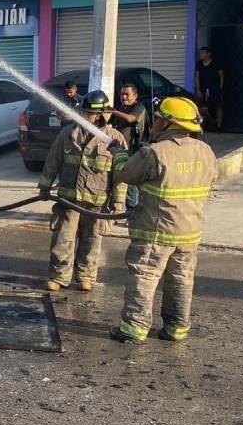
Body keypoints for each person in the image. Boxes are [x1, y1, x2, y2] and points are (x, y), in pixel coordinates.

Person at [109, 97, 217, 344]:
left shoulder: (154, 153)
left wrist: (118, 153)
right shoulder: (206, 152)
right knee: (181, 279)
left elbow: (126, 173)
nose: (155, 122)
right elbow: (211, 181)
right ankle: (176, 328)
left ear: (169, 124)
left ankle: (133, 328)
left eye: (159, 118)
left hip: (155, 232)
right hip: (190, 232)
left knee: (144, 276)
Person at [37, 90, 127, 292]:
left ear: (102, 115)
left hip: (97, 203)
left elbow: (121, 176)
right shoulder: (68, 134)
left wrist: (118, 202)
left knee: (92, 241)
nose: (87, 117)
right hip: (69, 200)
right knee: (63, 239)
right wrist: (44, 186)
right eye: (85, 113)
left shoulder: (114, 139)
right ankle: (59, 276)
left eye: (91, 114)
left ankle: (85, 276)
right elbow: (53, 161)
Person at [109, 82, 147, 211]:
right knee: (116, 177)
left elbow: (131, 119)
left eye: (127, 94)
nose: (124, 97)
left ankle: (131, 210)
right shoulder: (120, 108)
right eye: (122, 94)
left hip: (133, 149)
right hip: (119, 148)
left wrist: (113, 111)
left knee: (130, 180)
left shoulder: (139, 108)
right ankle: (115, 208)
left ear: (135, 96)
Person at [195, 46, 224, 131]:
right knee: (204, 109)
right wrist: (198, 89)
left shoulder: (215, 63)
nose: (201, 55)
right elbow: (197, 77)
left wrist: (220, 87)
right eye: (200, 53)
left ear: (208, 54)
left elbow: (221, 75)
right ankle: (211, 123)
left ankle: (218, 126)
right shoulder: (199, 64)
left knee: (218, 106)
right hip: (204, 89)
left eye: (203, 53)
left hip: (214, 88)